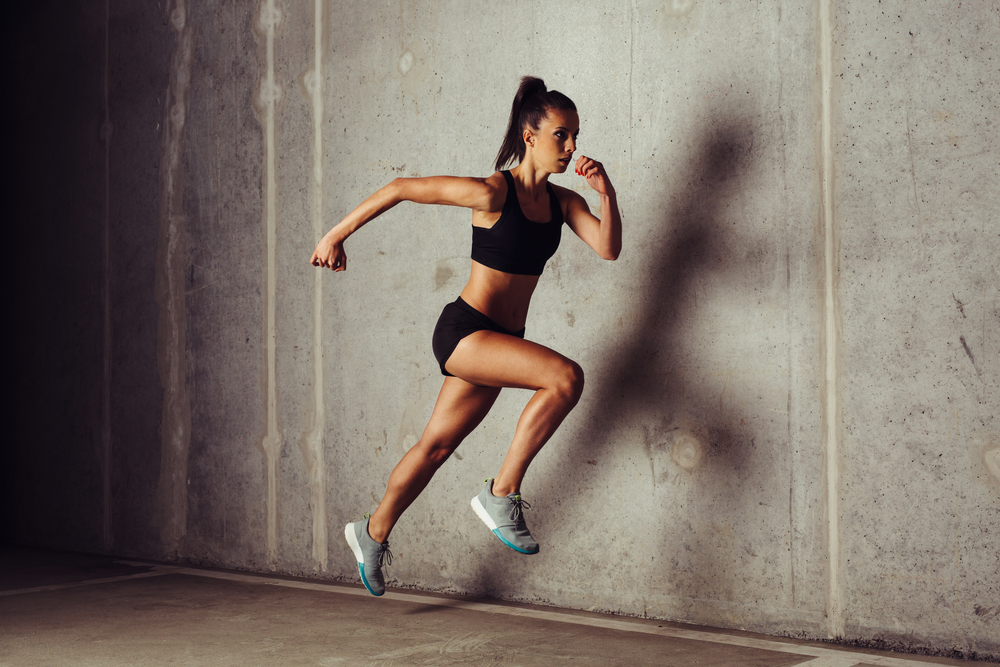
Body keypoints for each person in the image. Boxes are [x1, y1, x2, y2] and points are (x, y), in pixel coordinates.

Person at [310, 76, 622, 596]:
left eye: (575, 137)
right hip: (465, 332)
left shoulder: (564, 203)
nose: (571, 148)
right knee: (566, 378)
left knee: (436, 446)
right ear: (530, 135)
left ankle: (371, 532)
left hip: (501, 342)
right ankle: (502, 494)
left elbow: (608, 247)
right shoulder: (491, 191)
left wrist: (606, 191)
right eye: (561, 136)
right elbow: (403, 188)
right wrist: (334, 235)